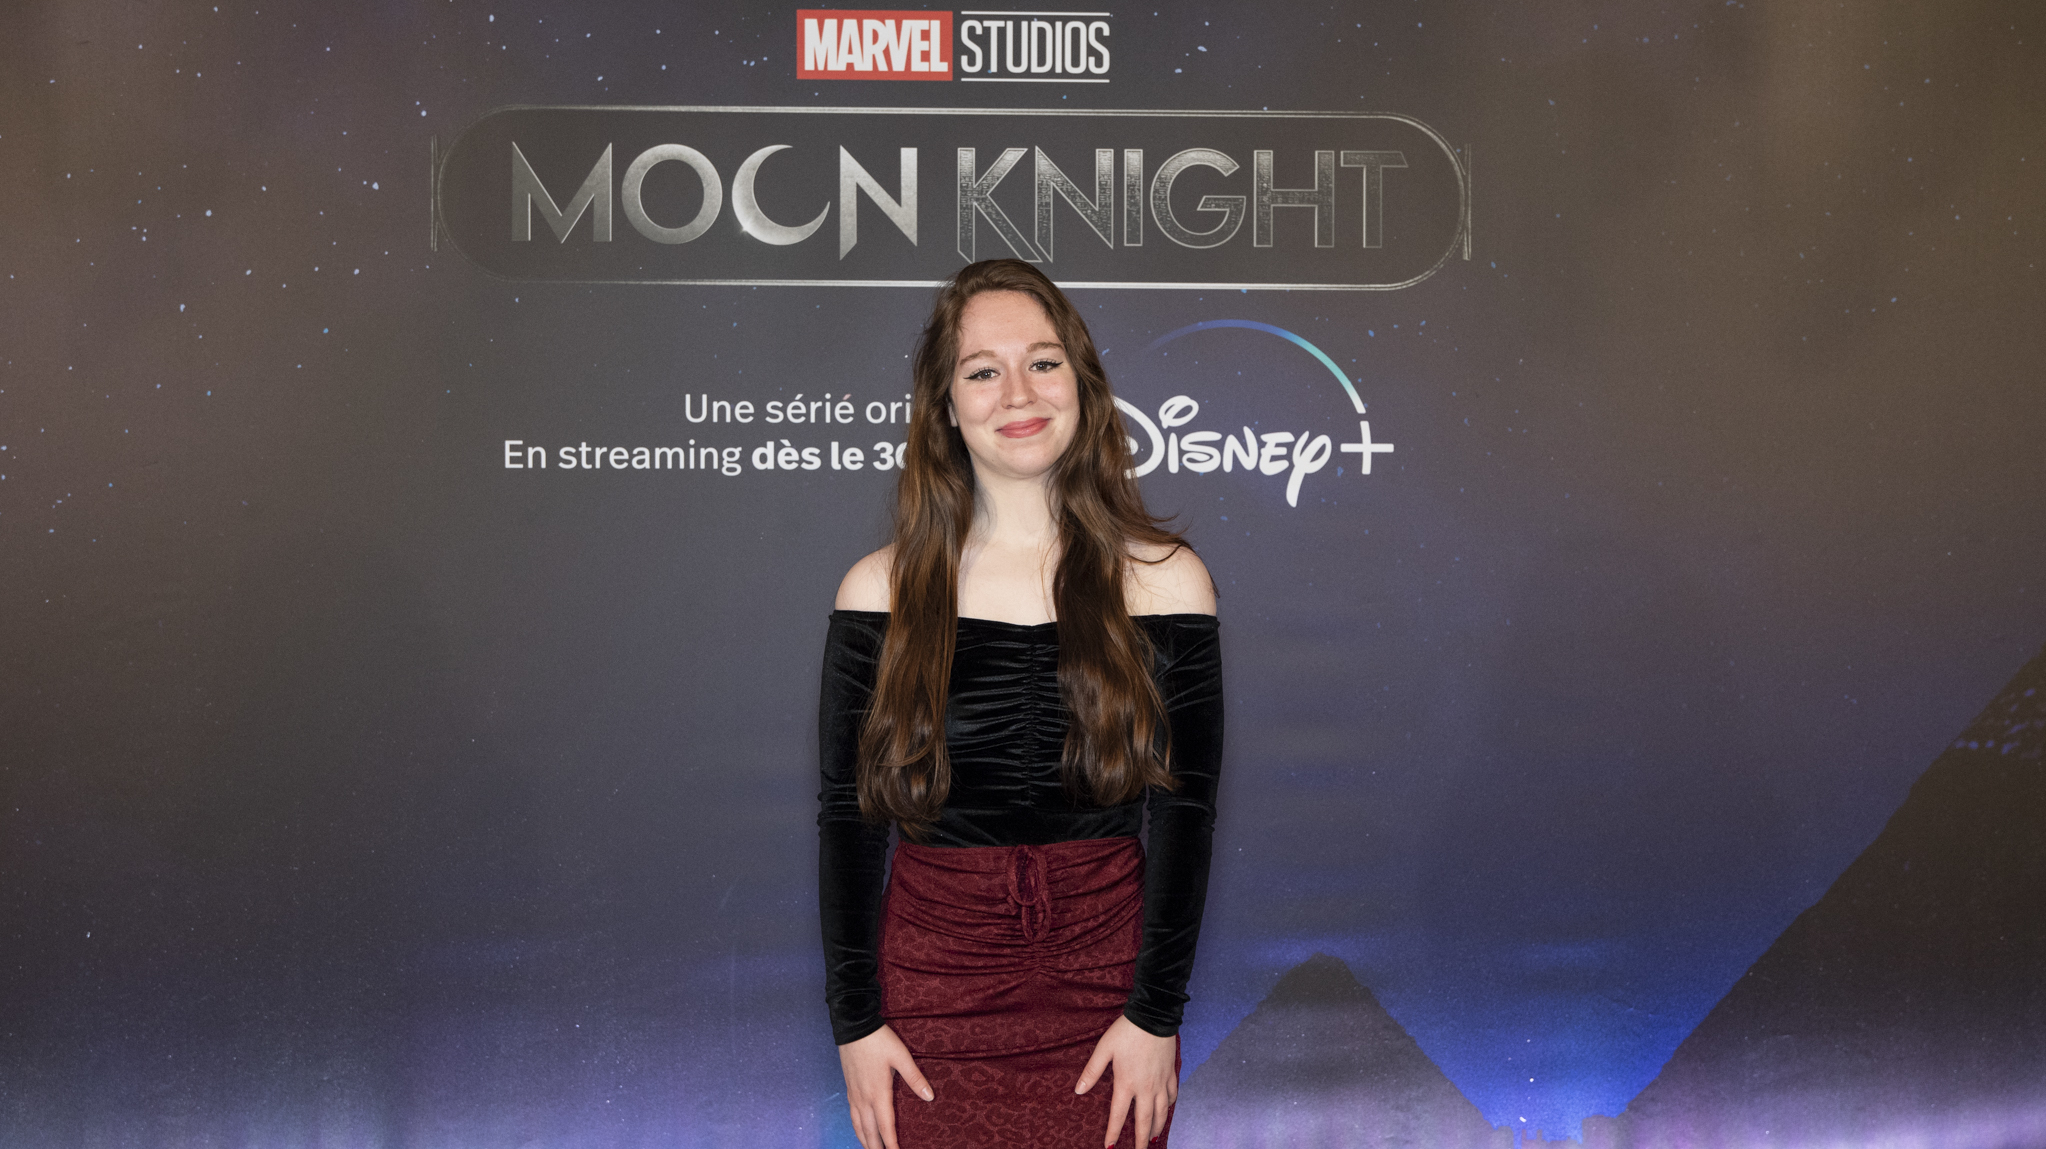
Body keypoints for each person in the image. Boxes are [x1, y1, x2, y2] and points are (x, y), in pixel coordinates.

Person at [818, 259, 1224, 1149]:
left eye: (1043, 361)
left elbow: (1185, 812)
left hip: (1109, 990)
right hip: (933, 996)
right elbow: (850, 818)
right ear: (945, 404)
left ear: (1082, 382)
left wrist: (1155, 1015)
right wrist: (856, 1023)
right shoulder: (877, 590)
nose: (1018, 393)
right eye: (982, 370)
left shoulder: (1168, 581)